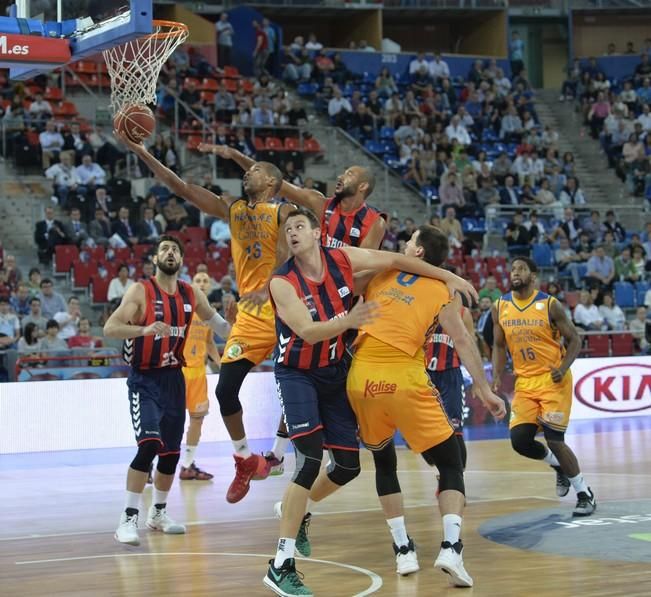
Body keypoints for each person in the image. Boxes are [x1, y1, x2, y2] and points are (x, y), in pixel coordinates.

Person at [264, 209, 477, 596]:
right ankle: (282, 561)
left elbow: (396, 259)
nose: (291, 233)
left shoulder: (346, 260)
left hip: (342, 373)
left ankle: (305, 512)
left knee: (348, 465)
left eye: (299, 226)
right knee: (311, 459)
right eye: (287, 229)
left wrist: (449, 275)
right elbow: (310, 332)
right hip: (297, 371)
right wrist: (352, 319)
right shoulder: (282, 281)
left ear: (316, 233)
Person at [117, 130, 293, 504]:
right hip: (250, 312)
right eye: (248, 170)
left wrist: (275, 282)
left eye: (256, 170)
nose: (248, 174)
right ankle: (245, 459)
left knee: (295, 386)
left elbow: (291, 251)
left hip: (285, 306)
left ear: (274, 183)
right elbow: (179, 186)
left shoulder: (284, 211)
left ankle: (277, 454)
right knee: (225, 389)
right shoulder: (233, 209)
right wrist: (141, 150)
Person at [347, 225, 504, 584]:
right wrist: (483, 388)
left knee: (384, 462)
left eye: (410, 240)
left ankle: (403, 551)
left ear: (418, 252)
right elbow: (463, 341)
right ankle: (451, 547)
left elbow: (345, 288)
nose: (403, 243)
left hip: (361, 379)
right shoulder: (441, 288)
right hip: (404, 377)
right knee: (451, 463)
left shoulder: (382, 270)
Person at [103, 235, 232, 546]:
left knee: (171, 454)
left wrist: (239, 326)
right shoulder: (140, 290)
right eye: (164, 248)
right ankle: (128, 517)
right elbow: (109, 329)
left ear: (181, 259)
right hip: (144, 379)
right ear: (155, 259)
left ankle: (158, 513)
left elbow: (221, 328)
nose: (170, 252)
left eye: (175, 249)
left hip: (175, 378)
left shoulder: (191, 293)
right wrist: (144, 329)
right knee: (148, 445)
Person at [492, 257, 596, 517]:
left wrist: (562, 368)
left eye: (521, 269)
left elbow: (574, 340)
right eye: (513, 269)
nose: (515, 273)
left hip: (553, 381)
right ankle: (558, 466)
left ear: (534, 275)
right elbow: (499, 345)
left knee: (555, 439)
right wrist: (495, 376)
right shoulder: (500, 306)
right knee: (520, 441)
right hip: (525, 383)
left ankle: (585, 494)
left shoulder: (550, 304)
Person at [179, 271, 224, 481]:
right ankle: (152, 466)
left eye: (206, 280)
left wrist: (222, 365)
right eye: (198, 280)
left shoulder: (209, 314)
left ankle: (187, 465)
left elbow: (209, 342)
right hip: (177, 371)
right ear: (191, 285)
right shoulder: (181, 308)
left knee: (197, 420)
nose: (203, 283)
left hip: (198, 373)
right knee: (166, 420)